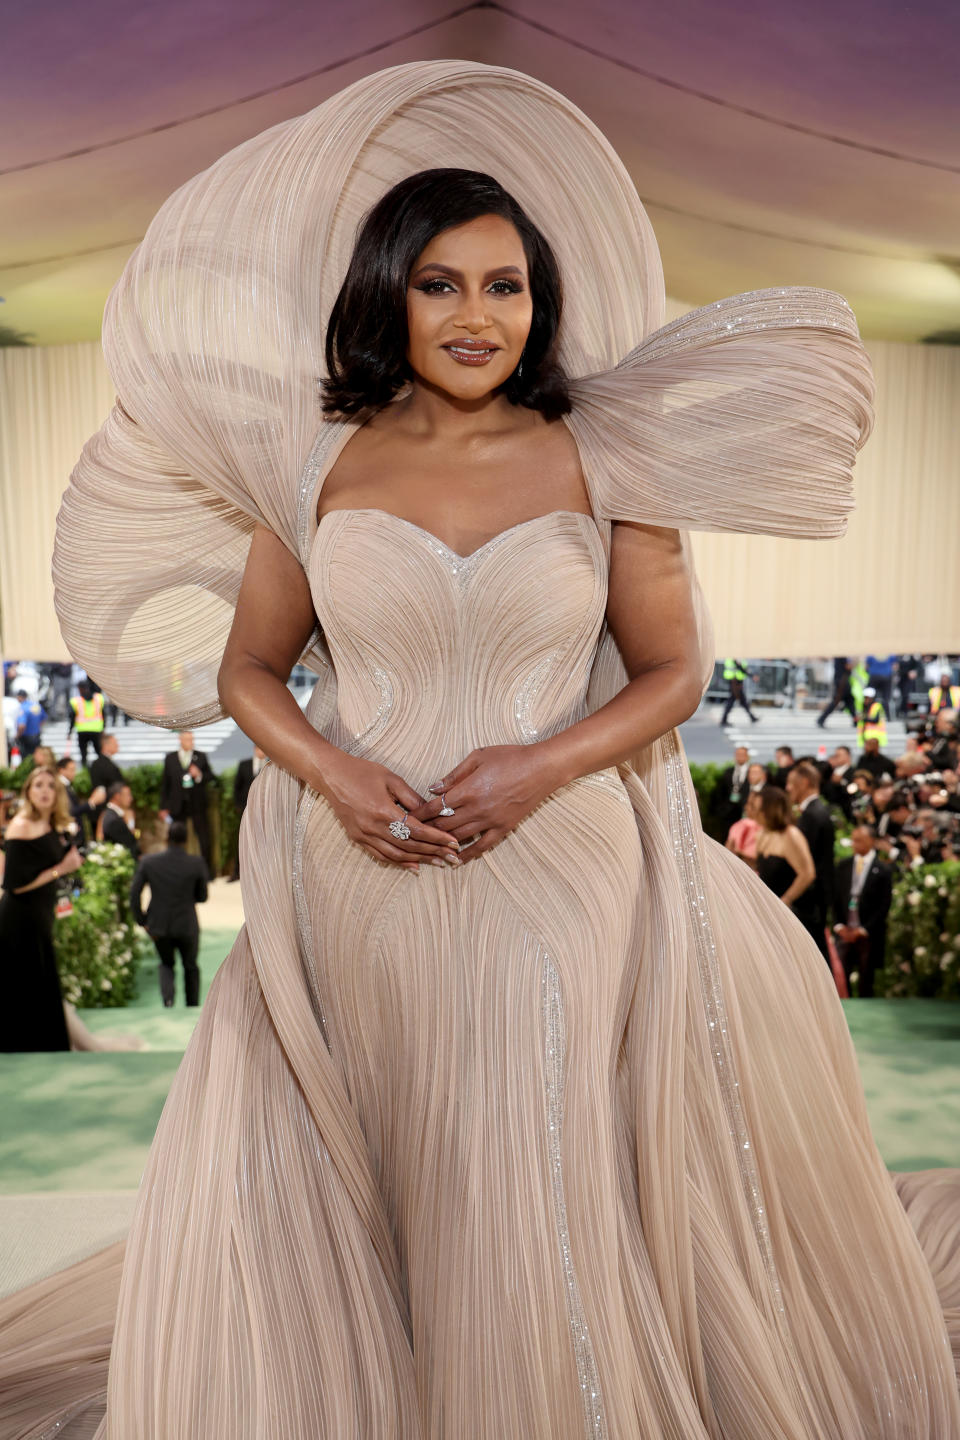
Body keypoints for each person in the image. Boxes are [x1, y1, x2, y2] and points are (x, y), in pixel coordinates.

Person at [11, 62, 960, 1440]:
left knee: (533, 1132)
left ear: (541, 301)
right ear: (388, 291)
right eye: (443, 283)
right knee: (391, 1144)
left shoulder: (606, 454)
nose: (477, 314)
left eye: (505, 285)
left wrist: (542, 764)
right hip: (353, 861)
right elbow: (249, 671)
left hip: (561, 849)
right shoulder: (317, 463)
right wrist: (335, 777)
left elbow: (673, 671)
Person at [0, 766, 83, 1051]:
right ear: (28, 792)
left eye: (50, 785)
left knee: (39, 974)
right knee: (24, 979)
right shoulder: (21, 825)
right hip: (20, 916)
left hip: (41, 912)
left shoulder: (51, 825)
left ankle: (45, 1042)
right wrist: (62, 869)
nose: (45, 790)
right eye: (38, 785)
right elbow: (14, 884)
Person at [131, 820, 209, 1007]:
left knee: (166, 963)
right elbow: (203, 896)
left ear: (167, 838)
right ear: (186, 840)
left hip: (160, 924)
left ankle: (168, 999)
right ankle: (192, 1004)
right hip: (186, 924)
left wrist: (141, 920)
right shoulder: (196, 863)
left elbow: (134, 893)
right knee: (190, 965)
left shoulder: (149, 862)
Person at [832, 824, 893, 998]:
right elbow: (836, 898)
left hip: (868, 932)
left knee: (867, 978)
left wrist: (863, 929)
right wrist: (838, 925)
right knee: (841, 976)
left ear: (872, 842)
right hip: (844, 929)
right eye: (853, 840)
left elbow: (884, 905)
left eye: (859, 840)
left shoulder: (883, 870)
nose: (854, 844)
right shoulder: (843, 866)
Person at [785, 759, 835, 964]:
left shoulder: (813, 815)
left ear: (804, 782)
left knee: (814, 954)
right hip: (815, 896)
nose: (787, 788)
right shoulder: (815, 811)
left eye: (790, 782)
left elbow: (806, 861)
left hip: (810, 898)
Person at [159, 730, 214, 870]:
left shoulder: (200, 757)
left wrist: (199, 774)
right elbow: (165, 784)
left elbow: (210, 777)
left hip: (197, 804)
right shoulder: (170, 758)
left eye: (192, 739)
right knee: (176, 835)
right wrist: (163, 807)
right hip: (177, 804)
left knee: (203, 837)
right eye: (188, 739)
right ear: (181, 740)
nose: (191, 742)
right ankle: (175, 867)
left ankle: (206, 870)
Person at [230, 744, 268, 880]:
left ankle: (262, 874)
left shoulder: (271, 765)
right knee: (242, 841)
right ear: (255, 749)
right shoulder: (244, 764)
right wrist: (239, 806)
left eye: (263, 748)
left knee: (264, 842)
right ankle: (237, 872)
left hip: (265, 812)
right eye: (259, 748)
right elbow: (237, 787)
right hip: (245, 810)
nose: (261, 751)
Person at [56, 755, 106, 841]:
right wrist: (91, 802)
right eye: (71, 770)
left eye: (74, 769)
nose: (74, 773)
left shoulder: (66, 785)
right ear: (61, 770)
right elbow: (69, 810)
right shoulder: (60, 787)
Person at [711, 743, 751, 837]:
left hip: (744, 811)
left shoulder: (751, 771)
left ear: (747, 757)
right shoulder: (728, 772)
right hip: (728, 813)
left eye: (742, 755)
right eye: (738, 755)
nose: (739, 757)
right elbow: (720, 792)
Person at [67, 680, 105, 766]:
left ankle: (85, 771)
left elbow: (72, 718)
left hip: (82, 730)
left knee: (83, 754)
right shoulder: (98, 698)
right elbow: (103, 714)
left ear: (79, 689)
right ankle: (102, 768)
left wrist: (70, 731)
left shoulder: (76, 701)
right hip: (96, 729)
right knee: (99, 752)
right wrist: (103, 728)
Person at [100, 781, 140, 859]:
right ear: (117, 796)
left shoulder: (116, 815)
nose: (131, 798)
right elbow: (128, 844)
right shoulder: (113, 819)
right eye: (128, 795)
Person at [724, 788, 762, 868]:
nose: (746, 807)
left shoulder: (744, 825)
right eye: (747, 803)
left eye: (751, 805)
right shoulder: (739, 825)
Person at [816, 656, 858, 728]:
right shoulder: (842, 656)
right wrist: (855, 663)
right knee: (836, 701)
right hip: (842, 682)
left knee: (850, 701)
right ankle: (821, 719)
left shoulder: (840, 655)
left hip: (842, 681)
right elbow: (848, 666)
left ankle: (855, 721)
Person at [718, 657, 759, 726]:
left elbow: (741, 667)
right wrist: (751, 676)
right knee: (734, 700)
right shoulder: (735, 654)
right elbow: (739, 667)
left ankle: (752, 717)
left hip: (736, 681)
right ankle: (724, 719)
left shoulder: (735, 654)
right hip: (735, 681)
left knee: (741, 701)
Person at [14, 689, 46, 757]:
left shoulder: (23, 708)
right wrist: (37, 727)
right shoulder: (36, 706)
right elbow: (43, 718)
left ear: (20, 697)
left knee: (27, 758)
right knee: (36, 757)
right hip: (36, 736)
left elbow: (21, 726)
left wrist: (17, 736)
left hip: (26, 738)